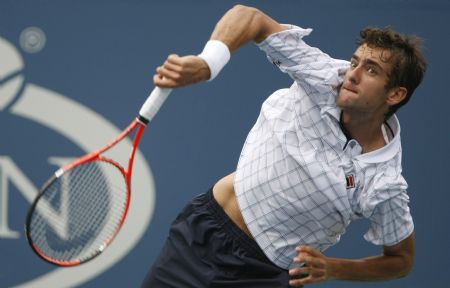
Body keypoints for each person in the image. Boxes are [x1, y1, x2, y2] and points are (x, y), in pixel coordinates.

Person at [142, 4, 427, 287]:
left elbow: (401, 259)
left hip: (262, 276)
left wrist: (333, 268)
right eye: (355, 62)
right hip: (200, 237)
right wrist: (208, 63)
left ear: (395, 94)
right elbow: (250, 18)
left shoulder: (384, 182)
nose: (352, 74)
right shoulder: (325, 77)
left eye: (372, 70)